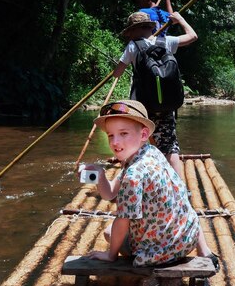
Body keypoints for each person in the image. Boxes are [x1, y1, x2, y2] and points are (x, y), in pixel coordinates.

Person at [79, 100, 219, 270]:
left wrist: (111, 254)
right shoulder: (152, 152)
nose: (115, 142)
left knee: (110, 232)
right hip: (187, 238)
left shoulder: (133, 175)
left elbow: (123, 220)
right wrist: (100, 176)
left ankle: (135, 253)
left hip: (161, 252)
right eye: (111, 135)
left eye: (123, 133)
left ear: (144, 134)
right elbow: (109, 194)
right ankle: (204, 250)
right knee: (180, 198)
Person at [113, 11, 197, 180]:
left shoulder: (132, 46)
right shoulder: (165, 41)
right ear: (149, 28)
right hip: (167, 105)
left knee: (136, 143)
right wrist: (179, 19)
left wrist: (120, 65)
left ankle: (132, 183)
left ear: (132, 31)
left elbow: (117, 73)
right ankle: (180, 188)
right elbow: (192, 36)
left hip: (143, 107)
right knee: (170, 146)